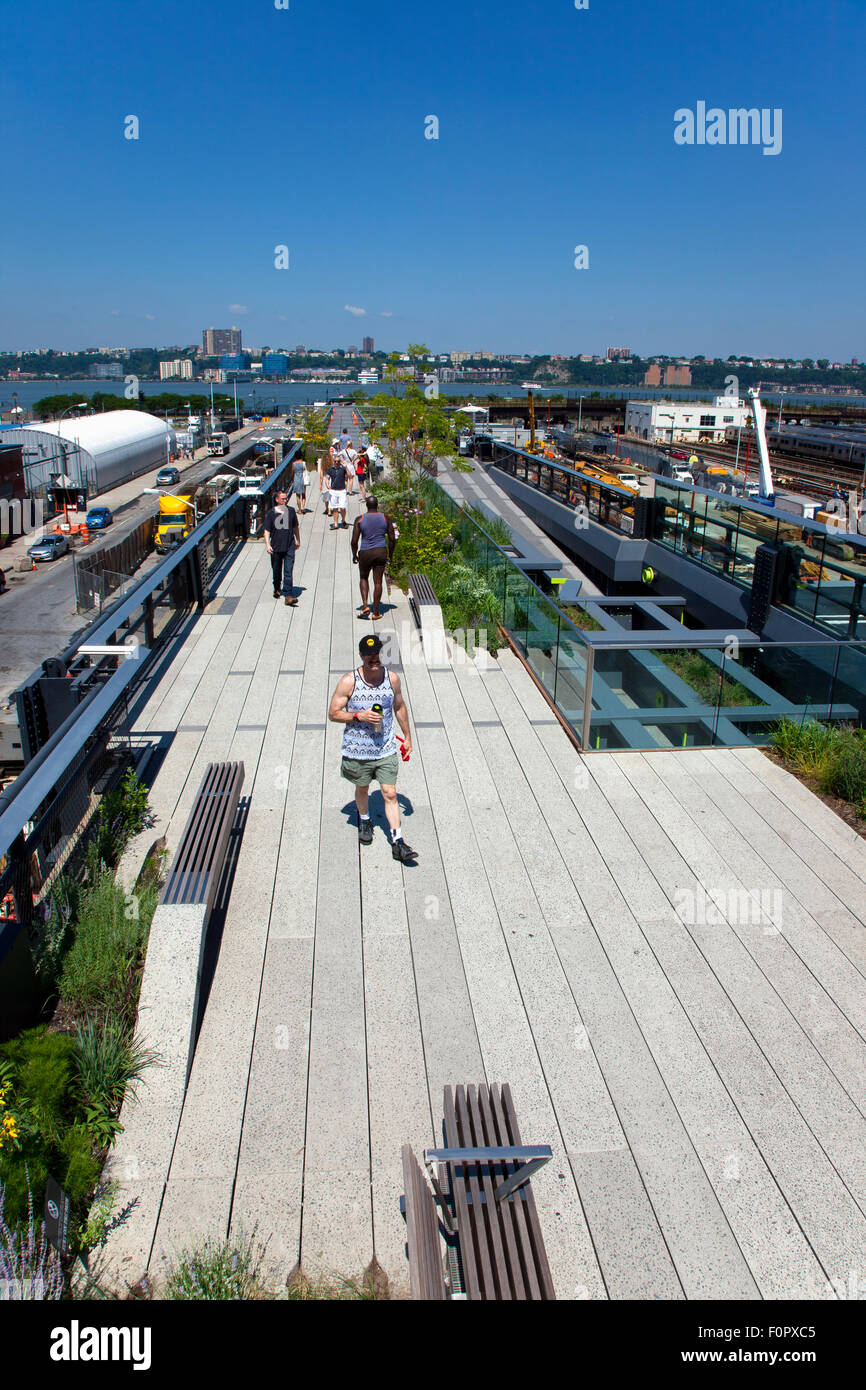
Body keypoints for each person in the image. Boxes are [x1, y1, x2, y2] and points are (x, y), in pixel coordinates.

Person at [329, 633, 416, 861]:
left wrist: (407, 736)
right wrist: (359, 716)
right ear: (361, 656)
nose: (373, 658)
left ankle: (398, 842)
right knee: (363, 789)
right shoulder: (349, 682)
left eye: (376, 653)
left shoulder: (392, 679)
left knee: (390, 792)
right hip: (358, 750)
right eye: (368, 655)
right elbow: (333, 714)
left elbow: (399, 707)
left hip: (385, 748)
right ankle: (365, 820)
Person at [351, 495, 394, 619]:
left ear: (366, 505)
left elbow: (354, 541)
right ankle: (375, 612)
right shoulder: (386, 519)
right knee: (378, 582)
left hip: (365, 552)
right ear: (377, 504)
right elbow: (392, 539)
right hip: (380, 552)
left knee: (363, 578)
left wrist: (355, 555)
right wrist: (390, 555)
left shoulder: (360, 519)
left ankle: (365, 605)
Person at [264, 489, 300, 605]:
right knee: (276, 570)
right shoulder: (271, 513)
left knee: (288, 570)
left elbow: (295, 527)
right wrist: (267, 544)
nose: (285, 500)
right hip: (276, 547)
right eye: (283, 499)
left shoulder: (291, 511)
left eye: (286, 498)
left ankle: (288, 594)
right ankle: (277, 587)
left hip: (289, 545)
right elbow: (267, 530)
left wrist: (298, 540)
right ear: (277, 500)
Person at [327, 453, 349, 529]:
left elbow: (349, 476)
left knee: (342, 507)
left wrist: (346, 468)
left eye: (338, 461)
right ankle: (336, 524)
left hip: (341, 490)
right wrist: (327, 485)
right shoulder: (330, 469)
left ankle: (343, 520)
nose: (336, 463)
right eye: (335, 461)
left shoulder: (343, 469)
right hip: (333, 490)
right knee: (335, 508)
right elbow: (327, 478)